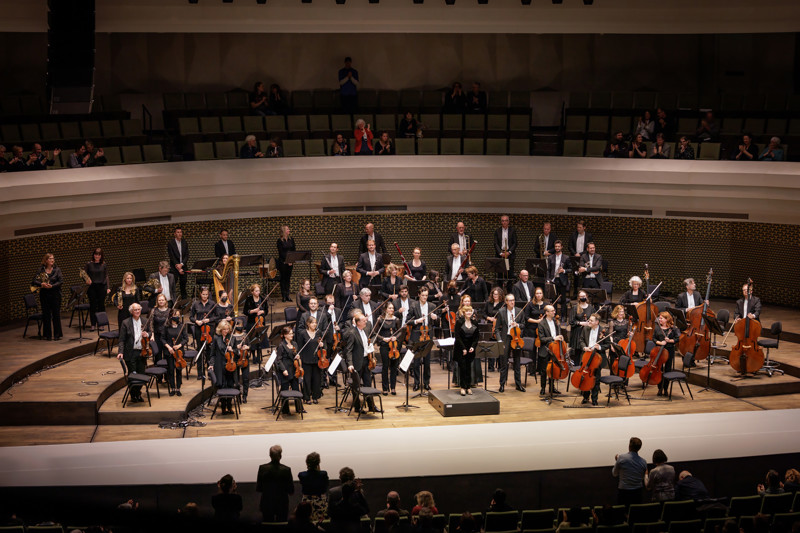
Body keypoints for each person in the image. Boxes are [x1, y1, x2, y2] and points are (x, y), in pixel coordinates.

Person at [344, 312, 377, 412]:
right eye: (363, 321)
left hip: (367, 361)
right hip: (357, 363)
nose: (365, 322)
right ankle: (357, 407)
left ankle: (371, 406)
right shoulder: (352, 333)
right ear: (357, 323)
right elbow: (348, 350)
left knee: (368, 384)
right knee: (356, 387)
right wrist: (350, 364)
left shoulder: (366, 330)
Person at [256, 444, 295, 523]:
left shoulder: (262, 468)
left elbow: (259, 488)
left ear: (270, 455)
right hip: (282, 504)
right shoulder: (286, 470)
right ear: (280, 455)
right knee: (282, 525)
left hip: (267, 503)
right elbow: (291, 490)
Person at [117, 303, 146, 402]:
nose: (137, 311)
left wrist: (147, 334)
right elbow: (121, 339)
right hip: (130, 353)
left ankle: (137, 392)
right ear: (131, 311)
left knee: (142, 374)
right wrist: (120, 351)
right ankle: (134, 395)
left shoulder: (145, 321)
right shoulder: (126, 323)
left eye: (139, 309)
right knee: (133, 375)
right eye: (135, 310)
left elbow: (150, 332)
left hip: (142, 352)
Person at [495, 294, 525, 393]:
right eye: (510, 300)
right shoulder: (501, 312)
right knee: (504, 363)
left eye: (513, 300)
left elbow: (524, 325)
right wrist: (500, 341)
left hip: (516, 338)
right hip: (506, 338)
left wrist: (518, 325)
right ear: (506, 302)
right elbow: (496, 329)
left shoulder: (519, 311)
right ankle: (502, 384)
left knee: (517, 362)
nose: (512, 302)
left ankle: (518, 384)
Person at [410, 287, 438, 391]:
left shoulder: (432, 306)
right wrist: (417, 321)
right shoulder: (413, 305)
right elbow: (408, 321)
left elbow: (436, 321)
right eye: (423, 295)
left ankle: (426, 383)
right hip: (417, 335)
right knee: (416, 361)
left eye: (426, 295)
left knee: (427, 361)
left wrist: (435, 318)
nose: (424, 297)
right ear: (419, 295)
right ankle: (416, 383)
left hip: (428, 336)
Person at [208, 320, 239, 414]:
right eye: (224, 329)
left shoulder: (232, 338)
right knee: (221, 385)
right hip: (219, 365)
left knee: (230, 385)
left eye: (227, 329)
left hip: (231, 365)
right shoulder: (216, 338)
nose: (226, 331)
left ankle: (229, 406)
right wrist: (211, 364)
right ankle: (223, 407)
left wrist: (232, 350)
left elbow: (237, 353)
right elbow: (212, 354)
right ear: (220, 330)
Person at [578, 313, 608, 405]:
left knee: (596, 379)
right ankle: (585, 397)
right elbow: (581, 340)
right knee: (585, 378)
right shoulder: (586, 328)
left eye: (591, 320)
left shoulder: (603, 331)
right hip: (586, 356)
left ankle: (594, 399)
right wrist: (584, 347)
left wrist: (599, 347)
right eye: (589, 320)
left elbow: (608, 344)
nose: (589, 322)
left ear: (597, 322)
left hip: (597, 358)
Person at [32, 253, 63, 341]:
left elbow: (61, 281)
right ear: (46, 260)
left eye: (53, 258)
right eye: (50, 259)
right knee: (46, 315)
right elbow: (34, 281)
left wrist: (52, 286)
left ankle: (57, 334)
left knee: (56, 315)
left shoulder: (57, 270)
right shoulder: (41, 270)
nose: (52, 260)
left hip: (55, 295)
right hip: (44, 295)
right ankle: (47, 335)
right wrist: (41, 284)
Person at [276, 326, 304, 415]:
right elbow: (278, 360)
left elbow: (296, 355)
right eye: (290, 333)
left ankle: (299, 408)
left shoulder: (295, 344)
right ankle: (285, 410)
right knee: (285, 390)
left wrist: (298, 356)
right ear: (285, 335)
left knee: (296, 389)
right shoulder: (281, 346)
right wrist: (283, 370)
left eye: (292, 333)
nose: (292, 335)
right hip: (285, 371)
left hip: (294, 370)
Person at [376, 302, 402, 395]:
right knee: (385, 366)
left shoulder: (396, 319)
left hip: (394, 345)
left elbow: (400, 332)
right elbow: (375, 333)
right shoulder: (380, 319)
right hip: (384, 345)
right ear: (385, 309)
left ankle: (393, 387)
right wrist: (383, 338)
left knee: (394, 367)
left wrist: (396, 337)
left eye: (392, 308)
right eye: (390, 308)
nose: (392, 310)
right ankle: (385, 388)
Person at [537, 305, 564, 396]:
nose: (554, 312)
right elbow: (542, 339)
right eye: (552, 311)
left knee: (553, 369)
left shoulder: (556, 322)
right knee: (544, 371)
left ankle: (552, 388)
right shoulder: (541, 323)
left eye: (554, 310)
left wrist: (560, 337)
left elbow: (558, 334)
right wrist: (553, 338)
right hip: (545, 350)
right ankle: (543, 388)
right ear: (546, 313)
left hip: (555, 349)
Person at [612, 436, 647, 505]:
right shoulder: (644, 462)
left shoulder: (621, 458)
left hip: (624, 492)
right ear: (639, 448)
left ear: (629, 446)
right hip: (638, 492)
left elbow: (614, 473)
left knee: (622, 513)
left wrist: (617, 461)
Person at [297, 316, 324, 404]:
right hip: (306, 359)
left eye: (315, 323)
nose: (314, 324)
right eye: (312, 323)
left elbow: (324, 346)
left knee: (316, 379)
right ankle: (307, 397)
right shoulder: (303, 333)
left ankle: (315, 396)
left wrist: (322, 345)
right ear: (308, 324)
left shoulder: (319, 332)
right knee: (307, 380)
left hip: (317, 359)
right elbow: (300, 347)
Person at [83, 247, 111, 331]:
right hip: (92, 288)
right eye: (96, 254)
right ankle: (93, 324)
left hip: (102, 287)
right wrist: (86, 280)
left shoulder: (104, 264)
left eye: (99, 254)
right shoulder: (89, 264)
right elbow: (84, 275)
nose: (97, 256)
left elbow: (106, 276)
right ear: (93, 255)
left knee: (101, 306)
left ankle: (101, 324)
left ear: (101, 255)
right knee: (93, 306)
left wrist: (108, 287)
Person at [653, 311, 680, 396]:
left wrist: (670, 341)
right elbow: (653, 338)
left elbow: (677, 339)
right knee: (659, 370)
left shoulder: (673, 329)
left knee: (667, 369)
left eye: (661, 318)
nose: (659, 319)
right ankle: (659, 388)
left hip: (669, 351)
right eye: (659, 318)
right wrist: (660, 343)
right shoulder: (657, 328)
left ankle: (666, 389)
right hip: (659, 351)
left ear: (666, 319)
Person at [454, 305, 479, 396]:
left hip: (470, 348)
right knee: (463, 368)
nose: (469, 313)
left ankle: (468, 387)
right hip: (461, 348)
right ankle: (463, 387)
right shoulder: (459, 322)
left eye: (470, 311)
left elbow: (476, 337)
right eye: (467, 311)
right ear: (464, 312)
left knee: (469, 368)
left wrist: (473, 346)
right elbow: (457, 337)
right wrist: (463, 348)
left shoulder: (475, 323)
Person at [162, 308, 187, 397]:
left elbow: (185, 339)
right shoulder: (166, 326)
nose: (177, 317)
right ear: (171, 316)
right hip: (169, 351)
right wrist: (169, 347)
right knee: (171, 370)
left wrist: (179, 345)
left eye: (178, 315)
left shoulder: (182, 326)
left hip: (179, 351)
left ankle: (178, 388)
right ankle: (172, 388)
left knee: (178, 370)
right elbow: (163, 339)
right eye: (175, 315)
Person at [298, 451, 329, 522]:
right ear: (318, 463)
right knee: (322, 523)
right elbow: (326, 485)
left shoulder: (302, 475)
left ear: (307, 463)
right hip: (321, 502)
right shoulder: (323, 474)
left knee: (306, 522)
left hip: (307, 503)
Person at [494, 215, 518, 291]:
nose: (504, 222)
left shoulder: (512, 230)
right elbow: (495, 243)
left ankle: (509, 291)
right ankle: (500, 291)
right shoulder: (497, 231)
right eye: (503, 221)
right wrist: (500, 253)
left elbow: (515, 243)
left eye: (506, 220)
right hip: (500, 255)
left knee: (509, 274)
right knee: (500, 274)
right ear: (501, 222)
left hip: (509, 255)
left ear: (508, 222)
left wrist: (509, 252)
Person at [569, 290, 594, 362]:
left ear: (586, 297)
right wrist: (580, 323)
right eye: (581, 296)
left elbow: (594, 319)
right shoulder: (575, 308)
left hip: (587, 332)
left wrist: (590, 322)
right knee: (576, 353)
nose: (583, 297)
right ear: (578, 298)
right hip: (577, 333)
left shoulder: (591, 308)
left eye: (584, 296)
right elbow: (571, 321)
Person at [547, 241, 570, 320]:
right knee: (554, 299)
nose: (557, 248)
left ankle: (563, 316)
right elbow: (548, 270)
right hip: (553, 280)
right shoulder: (550, 257)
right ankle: (554, 315)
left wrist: (564, 271)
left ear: (561, 247)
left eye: (558, 246)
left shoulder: (566, 257)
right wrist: (548, 279)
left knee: (563, 299)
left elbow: (570, 269)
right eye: (556, 246)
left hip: (562, 280)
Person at [167, 226, 189, 299]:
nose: (180, 234)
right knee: (173, 285)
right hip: (174, 268)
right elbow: (172, 257)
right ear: (175, 234)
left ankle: (184, 303)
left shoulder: (184, 242)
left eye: (181, 232)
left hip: (183, 267)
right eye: (178, 232)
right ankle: (173, 301)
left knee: (183, 285)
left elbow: (187, 255)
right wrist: (178, 267)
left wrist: (182, 264)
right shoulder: (171, 243)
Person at [277, 225, 296, 302]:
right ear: (284, 231)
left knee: (288, 279)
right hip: (282, 262)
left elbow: (294, 250)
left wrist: (291, 260)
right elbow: (281, 252)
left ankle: (288, 295)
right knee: (283, 279)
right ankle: (283, 296)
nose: (289, 230)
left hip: (290, 263)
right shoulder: (279, 241)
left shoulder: (291, 240)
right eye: (288, 229)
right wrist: (287, 260)